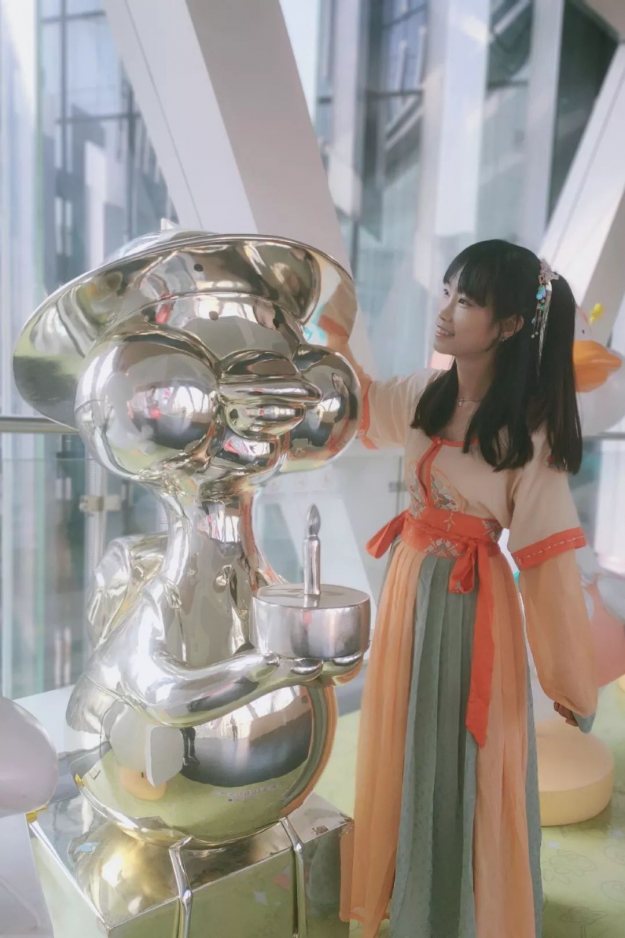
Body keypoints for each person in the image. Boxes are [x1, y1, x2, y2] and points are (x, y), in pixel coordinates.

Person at [328, 240, 598, 938]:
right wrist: (333, 332)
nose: (444, 310)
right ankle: (414, 898)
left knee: (465, 757)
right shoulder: (427, 395)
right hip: (409, 586)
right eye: (447, 292)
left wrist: (569, 681)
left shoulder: (529, 435)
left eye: (467, 301)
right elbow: (359, 408)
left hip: (470, 604)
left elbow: (547, 569)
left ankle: (461, 913)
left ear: (508, 325)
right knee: (408, 741)